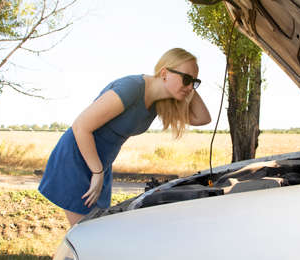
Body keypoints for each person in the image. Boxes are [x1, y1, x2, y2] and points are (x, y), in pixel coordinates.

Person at [38, 48, 211, 226]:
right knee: (86, 236)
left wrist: (187, 85)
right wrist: (97, 172)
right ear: (164, 73)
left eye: (195, 82)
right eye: (187, 79)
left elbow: (203, 118)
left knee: (96, 234)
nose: (190, 87)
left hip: (100, 166)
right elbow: (81, 126)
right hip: (77, 160)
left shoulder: (159, 103)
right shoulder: (132, 88)